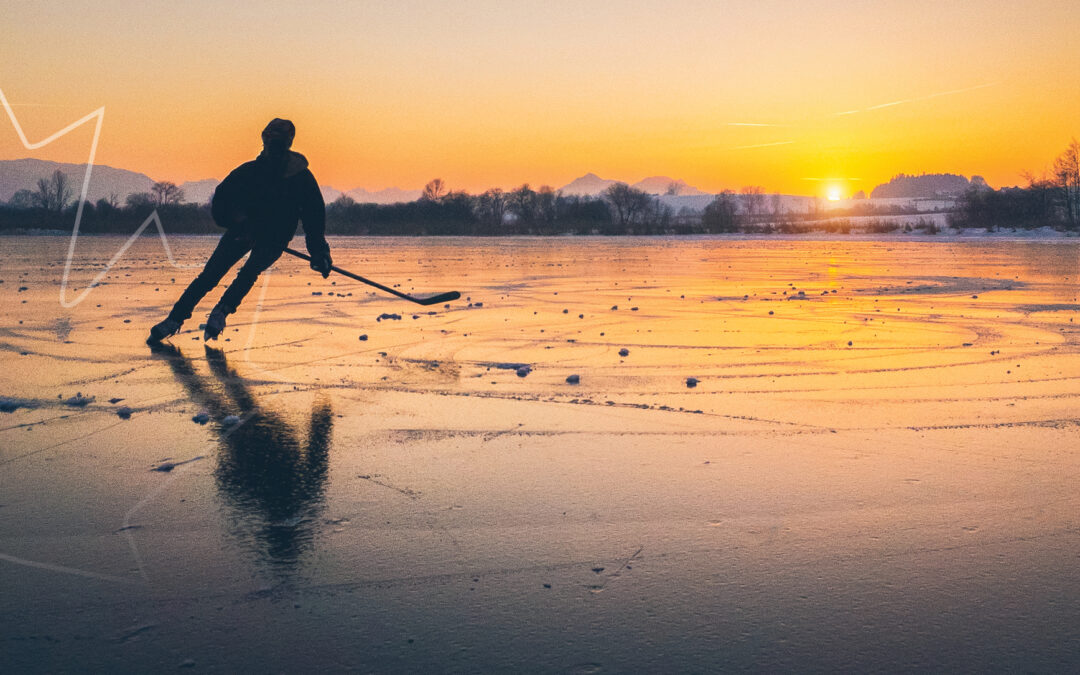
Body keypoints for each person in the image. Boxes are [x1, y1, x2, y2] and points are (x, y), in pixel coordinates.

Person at [147, 118, 332, 343]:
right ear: (264, 140)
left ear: (287, 144)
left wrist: (319, 252)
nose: (273, 147)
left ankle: (221, 312)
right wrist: (239, 223)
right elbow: (222, 200)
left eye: (279, 142)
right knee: (210, 276)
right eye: (270, 141)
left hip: (275, 238)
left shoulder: (301, 178)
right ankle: (175, 319)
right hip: (243, 231)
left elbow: (313, 216)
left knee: (247, 273)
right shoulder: (249, 172)